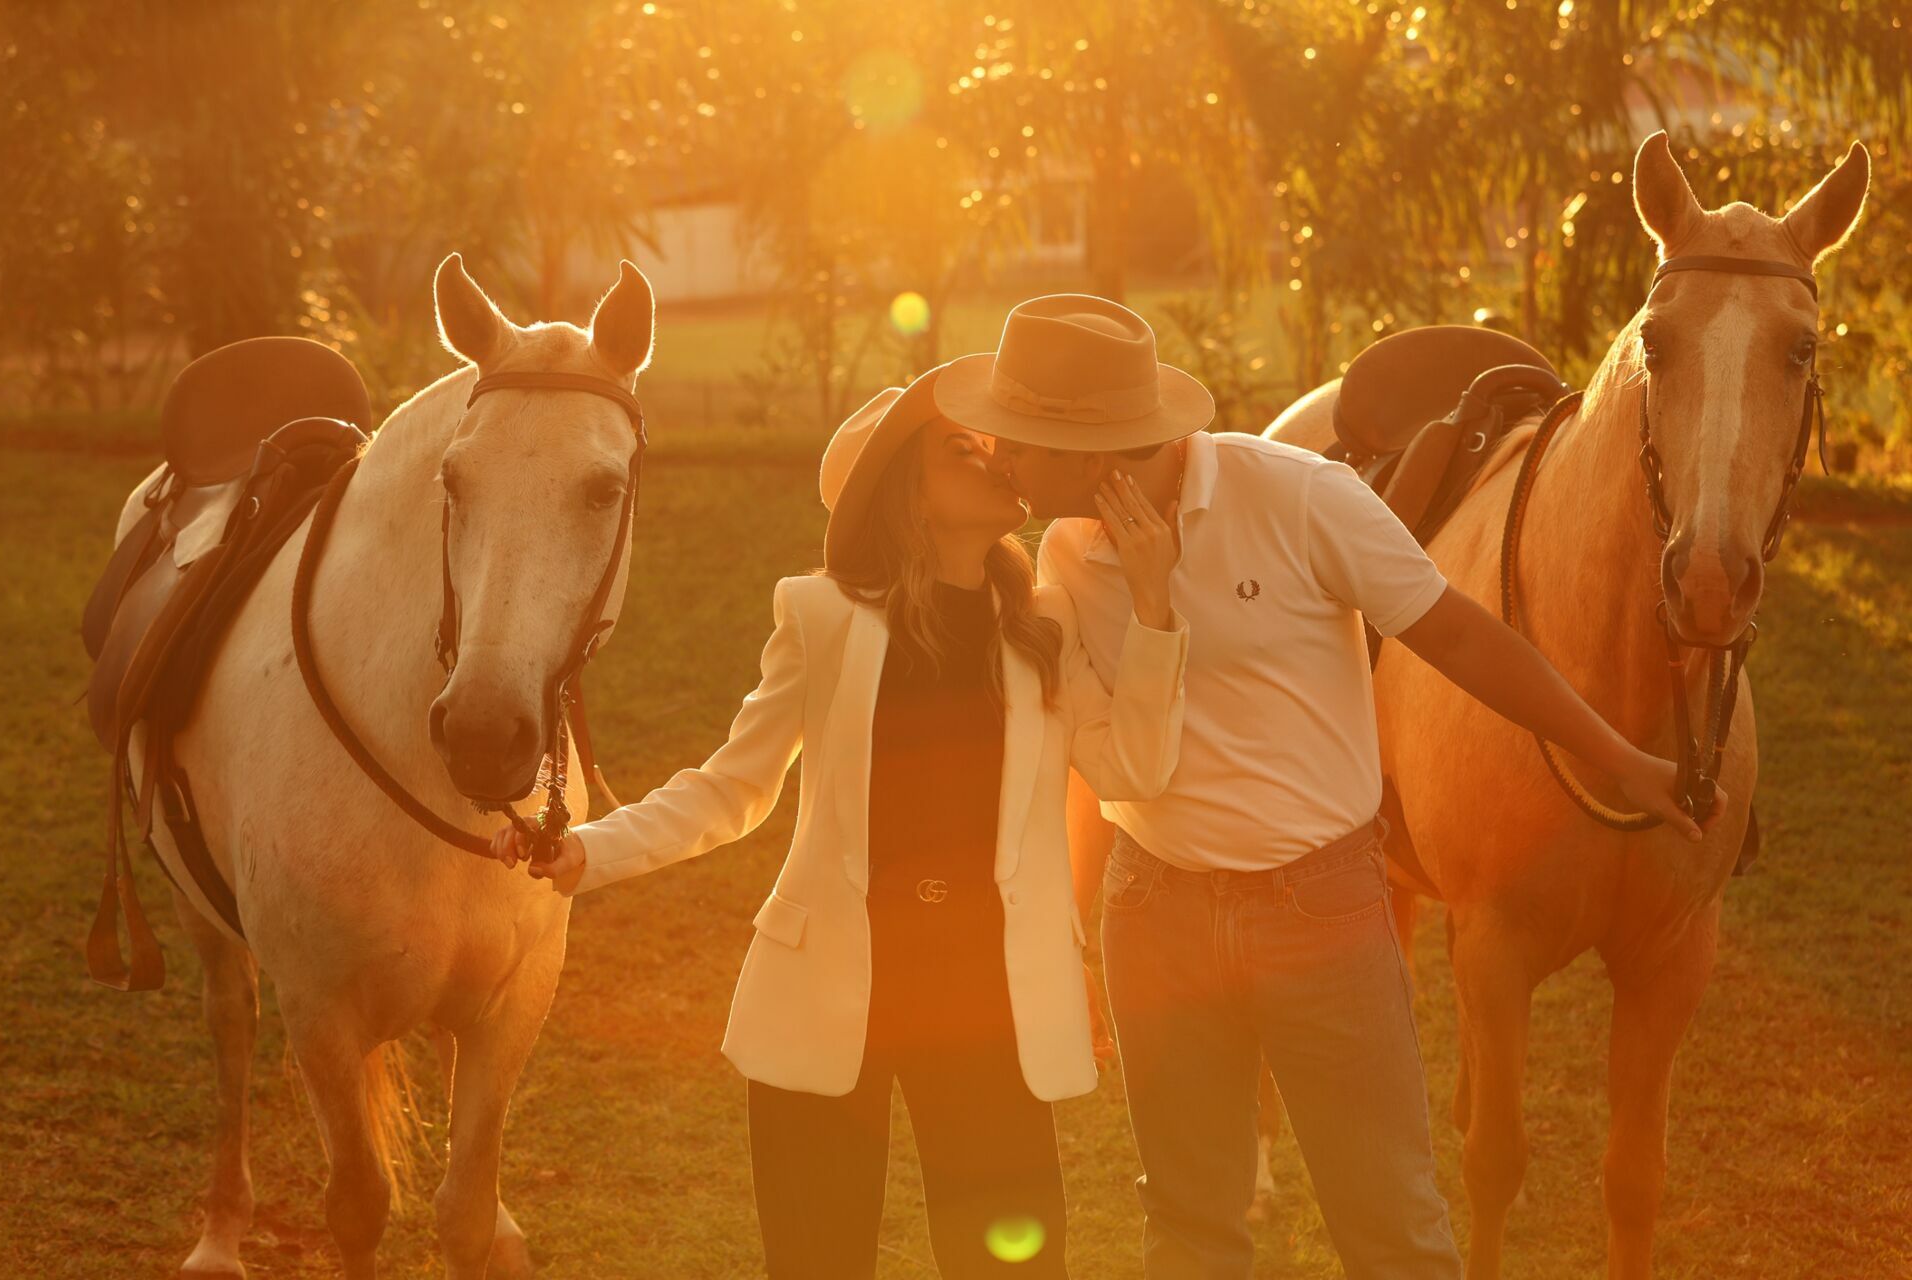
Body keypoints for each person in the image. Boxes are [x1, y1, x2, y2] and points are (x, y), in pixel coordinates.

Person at [933, 294, 1722, 1280]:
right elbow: (1123, 769)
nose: (1001, 455)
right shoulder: (1067, 555)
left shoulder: (1300, 497)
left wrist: (1623, 758)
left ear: (1095, 446)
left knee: (1392, 1231)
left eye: (1020, 439)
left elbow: (1464, 636)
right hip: (1160, 916)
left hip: (1323, 915)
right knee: (1188, 1227)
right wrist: (1151, 603)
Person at [494, 367, 1192, 1279]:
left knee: (1013, 1266)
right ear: (906, 490)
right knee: (816, 1260)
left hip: (990, 997)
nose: (992, 454)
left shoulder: (1043, 623)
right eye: (960, 446)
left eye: (990, 441)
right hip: (825, 991)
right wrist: (589, 848)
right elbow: (732, 786)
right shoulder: (820, 616)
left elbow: (1134, 769)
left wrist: (1155, 610)